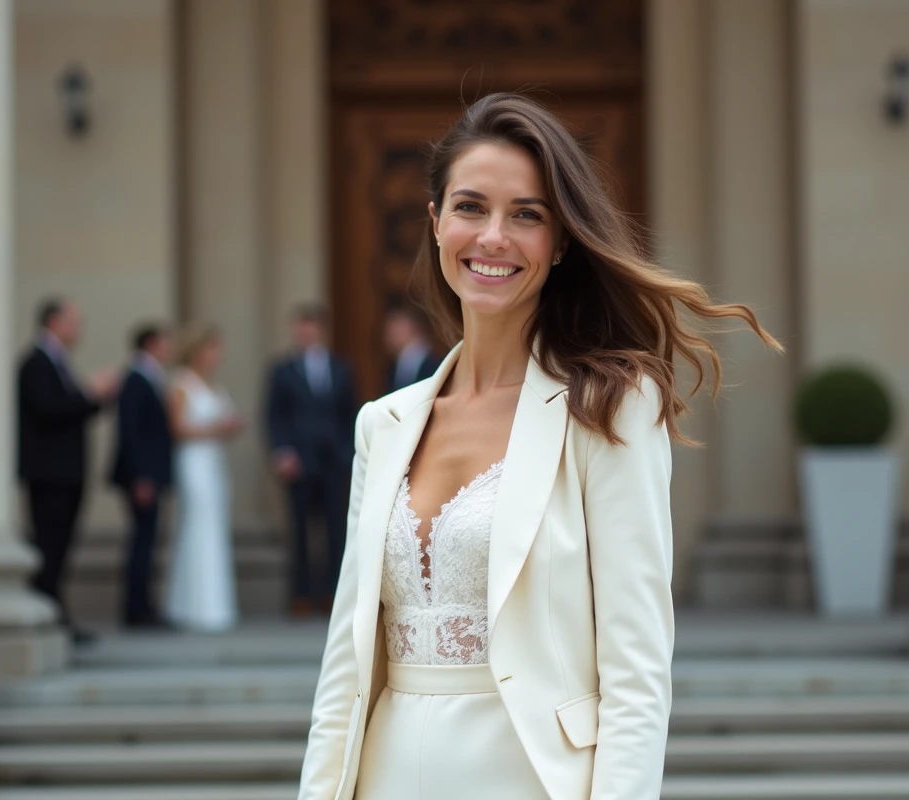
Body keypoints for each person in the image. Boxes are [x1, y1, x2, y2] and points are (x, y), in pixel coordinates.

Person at [298, 93, 781, 800]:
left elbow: (637, 673)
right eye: (470, 207)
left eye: (526, 215)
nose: (493, 236)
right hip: (385, 775)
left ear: (560, 243)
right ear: (435, 223)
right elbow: (344, 665)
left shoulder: (611, 407)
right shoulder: (384, 423)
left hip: (532, 779)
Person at [17, 298, 119, 646]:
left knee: (60, 549)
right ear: (53, 322)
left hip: (65, 474)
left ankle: (55, 615)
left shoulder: (57, 363)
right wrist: (90, 394)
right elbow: (48, 411)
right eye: (73, 322)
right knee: (49, 547)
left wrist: (95, 398)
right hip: (50, 475)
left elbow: (66, 409)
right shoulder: (36, 363)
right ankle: (49, 616)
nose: (79, 329)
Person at [265, 307, 358, 617]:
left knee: (335, 530)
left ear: (321, 330)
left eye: (310, 328)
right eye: (300, 329)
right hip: (299, 463)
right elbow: (274, 415)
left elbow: (350, 412)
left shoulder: (341, 368)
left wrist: (348, 452)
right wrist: (282, 451)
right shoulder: (282, 370)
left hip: (333, 463)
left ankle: (333, 594)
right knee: (300, 530)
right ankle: (302, 594)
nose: (305, 334)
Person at [163, 323, 244, 632]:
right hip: (193, 462)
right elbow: (177, 428)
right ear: (198, 351)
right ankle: (192, 606)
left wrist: (229, 427)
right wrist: (215, 429)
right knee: (197, 526)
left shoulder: (214, 385)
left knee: (213, 528)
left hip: (213, 461)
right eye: (213, 348)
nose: (217, 355)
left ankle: (212, 605)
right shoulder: (181, 383)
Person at [109, 324, 174, 629]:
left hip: (148, 475)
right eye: (165, 342)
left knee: (147, 540)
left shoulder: (150, 377)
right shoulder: (135, 379)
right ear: (150, 344)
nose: (169, 348)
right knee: (142, 541)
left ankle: (142, 605)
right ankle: (137, 609)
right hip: (141, 477)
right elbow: (131, 433)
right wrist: (141, 477)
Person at [382, 303, 439, 394]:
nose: (388, 337)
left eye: (397, 330)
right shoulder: (392, 368)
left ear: (412, 328)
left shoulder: (434, 365)